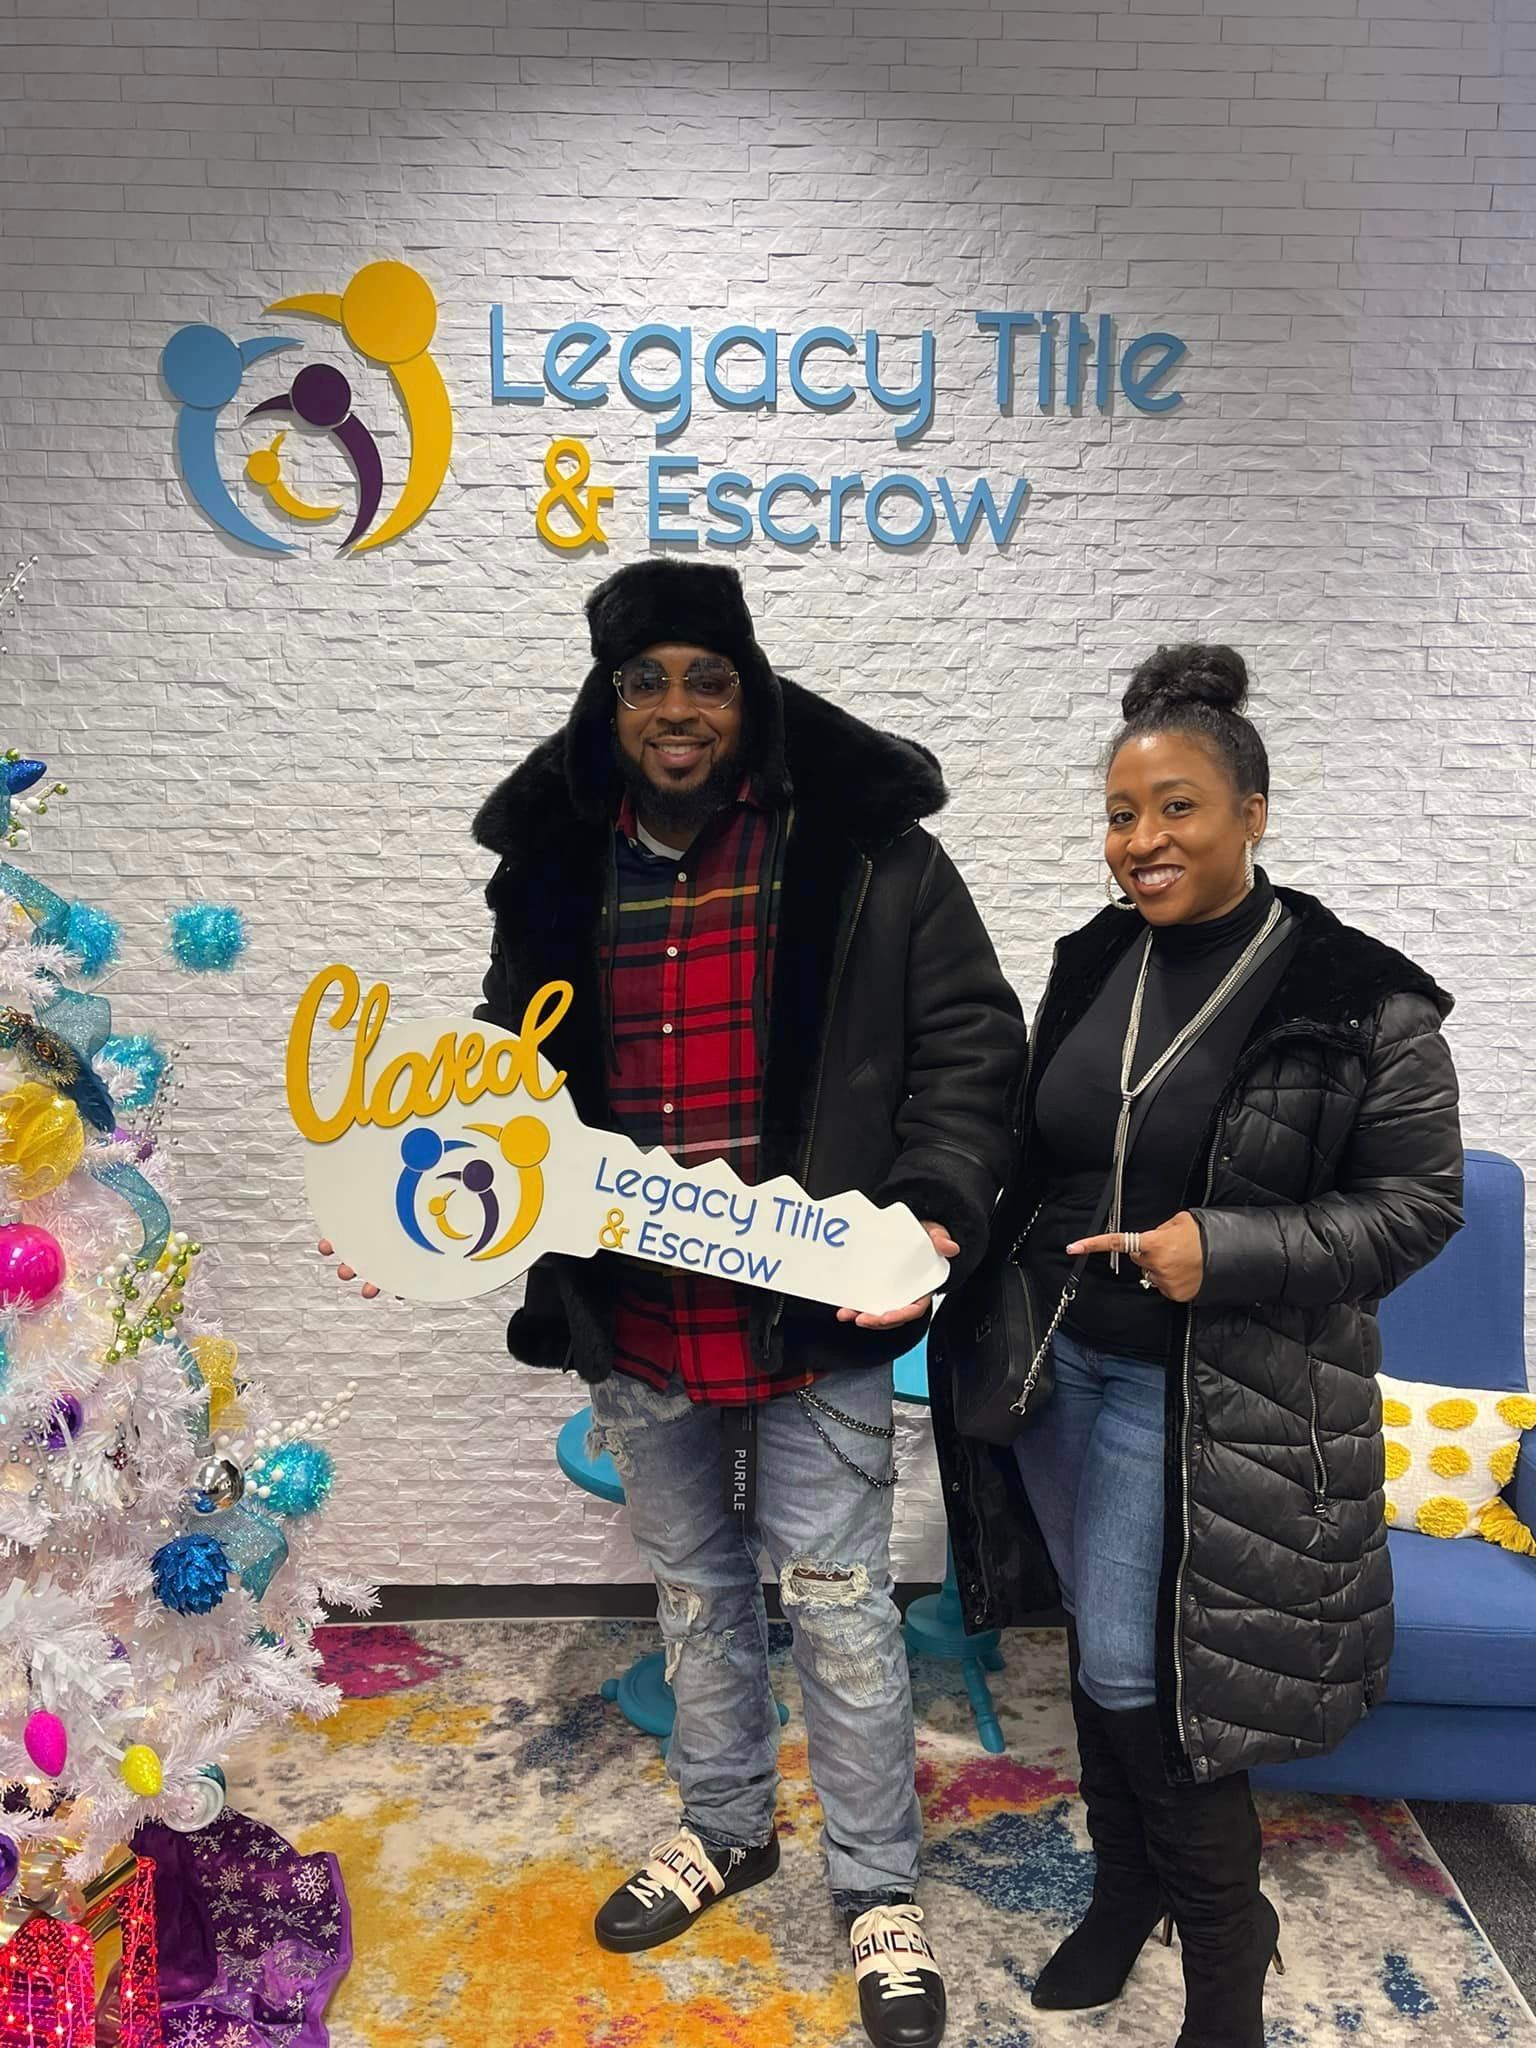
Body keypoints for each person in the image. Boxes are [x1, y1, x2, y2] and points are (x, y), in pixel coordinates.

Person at [472, 558, 1026, 2048]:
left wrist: (936, 1210)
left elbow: (972, 1045)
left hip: (809, 1321)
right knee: (696, 1597)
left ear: (749, 691)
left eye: (703, 679)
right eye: (644, 680)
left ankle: (875, 1890)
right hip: (635, 1314)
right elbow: (497, 1086)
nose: (674, 708)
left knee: (843, 1615)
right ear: (609, 700)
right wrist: (415, 1211)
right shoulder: (552, 871)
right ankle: (726, 1826)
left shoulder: (865, 856)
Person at [929, 644, 1463, 2048]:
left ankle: (1227, 1967)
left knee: (1133, 1673)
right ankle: (1124, 1897)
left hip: (1209, 1388)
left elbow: (1418, 1209)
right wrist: (930, 1239)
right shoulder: (1099, 956)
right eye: (1119, 814)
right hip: (1054, 1357)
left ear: (1253, 811)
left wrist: (1220, 1250)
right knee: (1091, 1654)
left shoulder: (1360, 1001)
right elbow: (1043, 1148)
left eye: (1175, 809)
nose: (1140, 843)